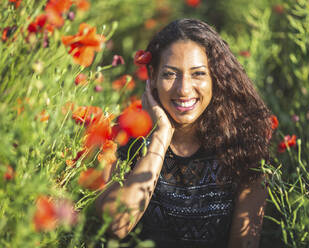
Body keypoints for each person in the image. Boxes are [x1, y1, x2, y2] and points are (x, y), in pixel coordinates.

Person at [96, 18, 272, 248]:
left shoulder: (243, 143)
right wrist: (160, 135)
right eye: (170, 74)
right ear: (152, 76)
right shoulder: (122, 135)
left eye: (198, 74)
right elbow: (117, 225)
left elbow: (244, 243)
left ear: (215, 77)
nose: (184, 89)